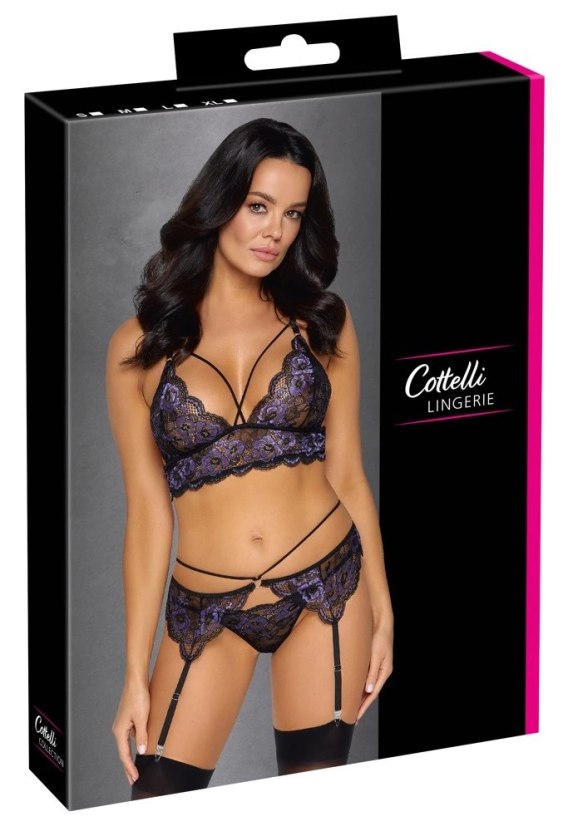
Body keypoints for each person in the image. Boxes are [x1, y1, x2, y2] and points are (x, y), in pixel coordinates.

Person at [106, 117, 393, 800]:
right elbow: (148, 516)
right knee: (157, 796)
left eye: (293, 213)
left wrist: (384, 610)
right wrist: (133, 673)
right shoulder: (137, 348)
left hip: (329, 586)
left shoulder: (322, 322)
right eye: (259, 206)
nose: (275, 231)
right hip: (206, 611)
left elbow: (348, 473)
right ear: (220, 202)